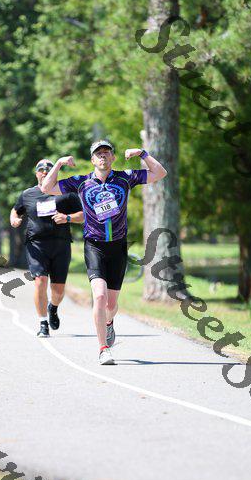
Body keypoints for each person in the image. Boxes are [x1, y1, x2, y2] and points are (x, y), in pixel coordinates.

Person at [42, 140, 167, 364]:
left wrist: (142, 153)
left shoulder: (125, 178)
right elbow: (46, 188)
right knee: (99, 296)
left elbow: (159, 173)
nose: (102, 156)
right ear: (92, 159)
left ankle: (109, 323)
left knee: (111, 305)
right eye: (98, 153)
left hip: (118, 247)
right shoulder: (81, 182)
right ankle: (103, 349)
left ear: (113, 158)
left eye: (107, 152)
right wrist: (59, 163)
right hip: (94, 245)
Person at [10, 159, 84, 337]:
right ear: (36, 173)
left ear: (54, 173)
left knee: (58, 290)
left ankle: (53, 307)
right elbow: (15, 210)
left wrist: (67, 218)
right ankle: (43, 323)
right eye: (41, 170)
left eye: (48, 170)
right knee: (40, 281)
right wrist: (14, 219)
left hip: (61, 245)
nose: (44, 172)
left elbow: (83, 215)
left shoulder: (67, 193)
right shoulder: (28, 194)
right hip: (36, 245)